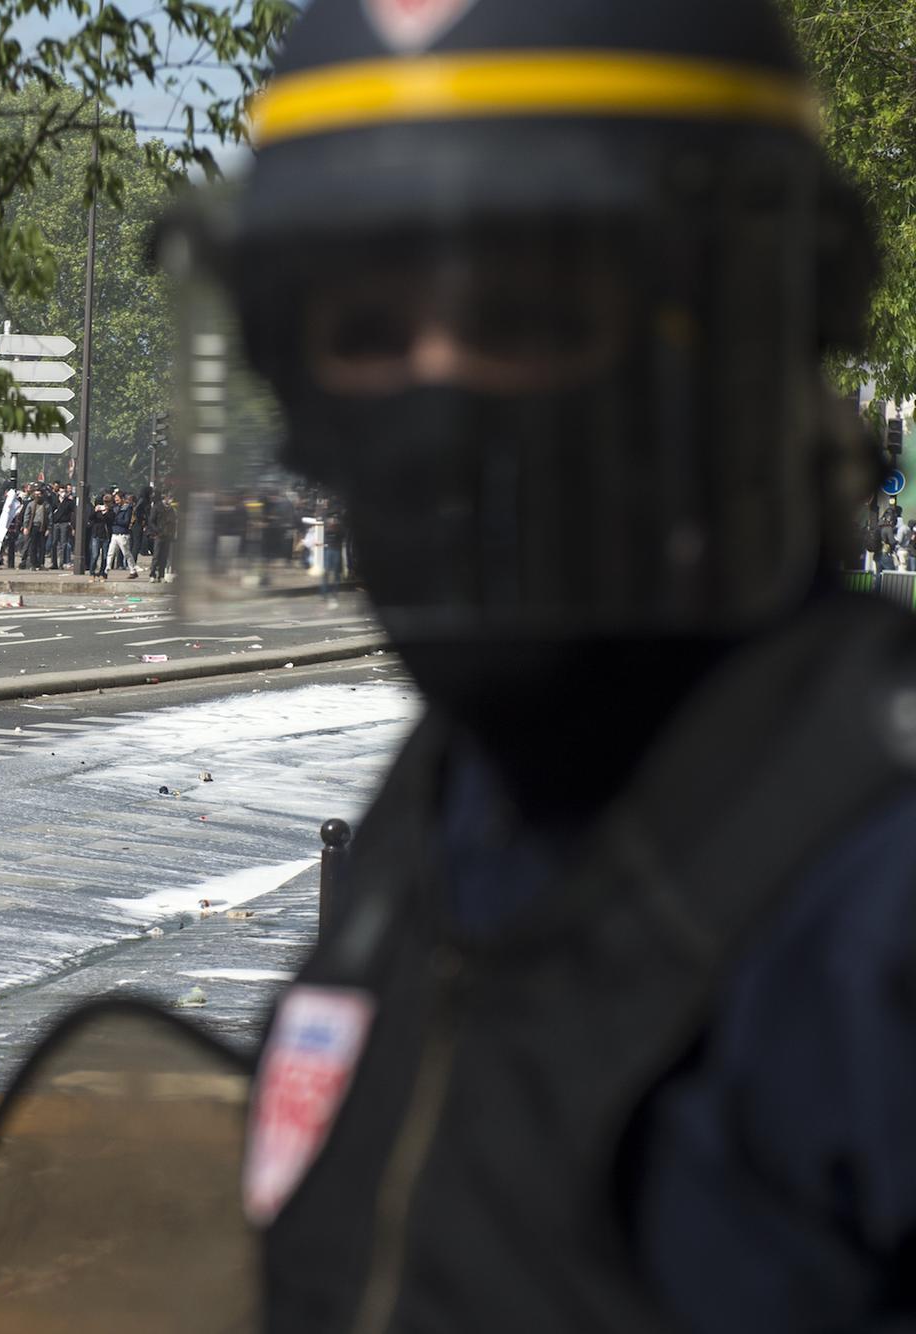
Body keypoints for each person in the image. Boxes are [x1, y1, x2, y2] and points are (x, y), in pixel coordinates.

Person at [185, 0, 913, 1329]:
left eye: (524, 313)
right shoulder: (450, 800)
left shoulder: (881, 897)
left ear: (733, 335)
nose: (435, 400)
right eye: (363, 331)